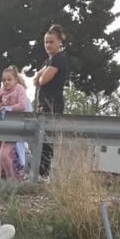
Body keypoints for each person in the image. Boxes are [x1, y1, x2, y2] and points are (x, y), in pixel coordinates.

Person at [33, 23, 70, 182]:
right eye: (46, 42)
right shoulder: (47, 61)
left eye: (51, 42)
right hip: (42, 103)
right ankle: (39, 172)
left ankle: (44, 173)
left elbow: (42, 79)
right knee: (39, 138)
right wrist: (41, 74)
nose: (48, 45)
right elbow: (35, 81)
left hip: (53, 103)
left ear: (59, 42)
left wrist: (41, 74)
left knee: (47, 139)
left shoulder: (59, 59)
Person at [0, 66, 30, 182]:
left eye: (9, 79)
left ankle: (12, 178)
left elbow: (23, 105)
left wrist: (9, 108)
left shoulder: (19, 89)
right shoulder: (1, 92)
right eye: (3, 80)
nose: (6, 82)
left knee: (3, 154)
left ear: (16, 79)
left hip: (14, 127)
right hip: (1, 126)